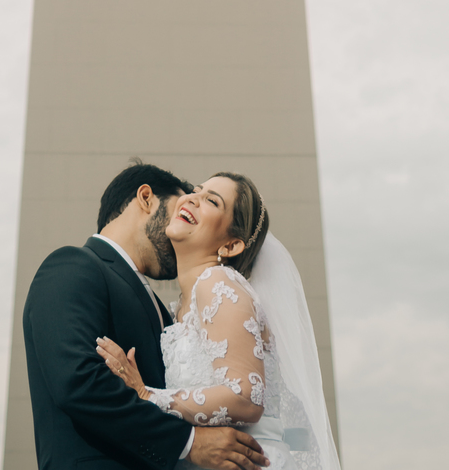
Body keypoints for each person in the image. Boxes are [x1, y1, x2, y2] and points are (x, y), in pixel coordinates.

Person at [23, 161, 272, 470]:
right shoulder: (73, 266)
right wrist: (188, 442)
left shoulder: (174, 308)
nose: (186, 212)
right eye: (181, 205)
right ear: (146, 198)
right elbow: (79, 381)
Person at [95, 173, 341, 470]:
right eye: (197, 191)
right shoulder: (183, 306)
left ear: (231, 246)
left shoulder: (218, 282)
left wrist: (149, 396)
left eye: (211, 200)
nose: (192, 198)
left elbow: (246, 397)